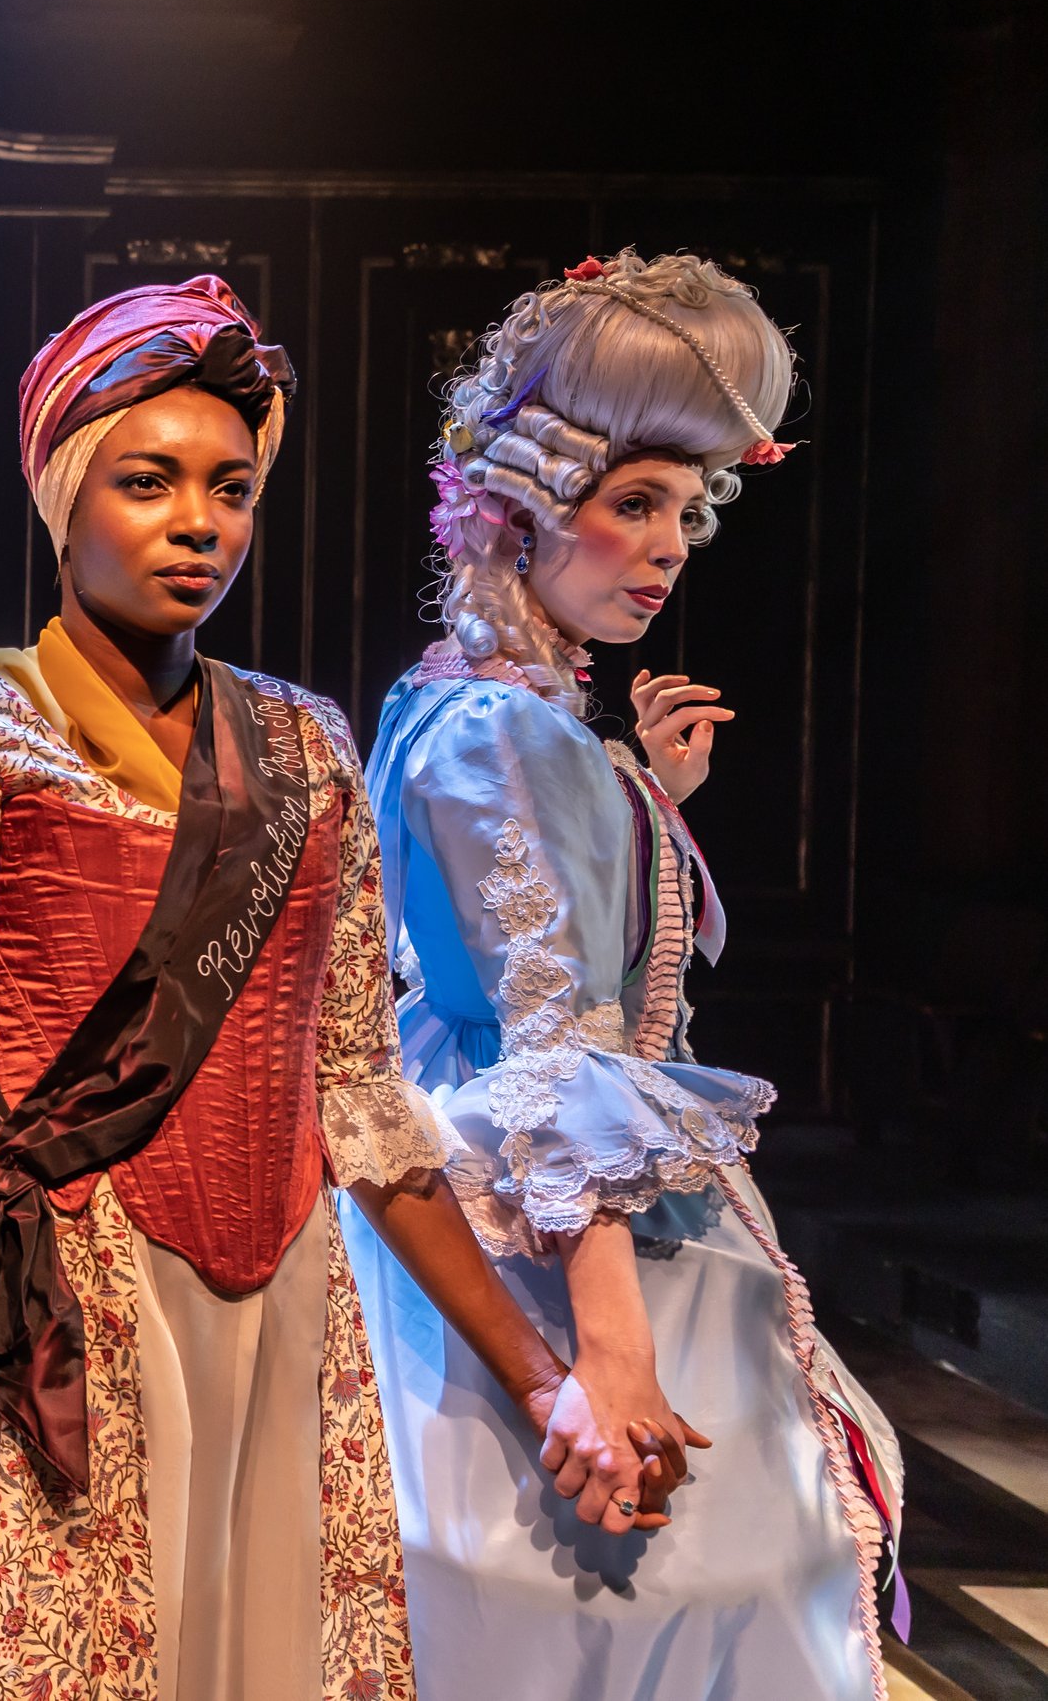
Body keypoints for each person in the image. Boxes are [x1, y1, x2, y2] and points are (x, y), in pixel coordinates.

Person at [0, 276, 653, 1701]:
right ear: (65, 495)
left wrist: (544, 1378)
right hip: (59, 1323)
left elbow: (365, 1111)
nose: (199, 521)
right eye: (148, 481)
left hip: (283, 1319)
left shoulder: (304, 747)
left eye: (230, 489)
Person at [342, 248, 902, 1698]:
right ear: (526, 508)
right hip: (531, 1207)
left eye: (687, 512)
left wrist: (644, 796)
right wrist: (609, 1352)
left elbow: (569, 956)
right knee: (608, 1587)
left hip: (492, 1153)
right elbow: (554, 1050)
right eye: (634, 505)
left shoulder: (471, 699)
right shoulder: (498, 731)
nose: (667, 548)